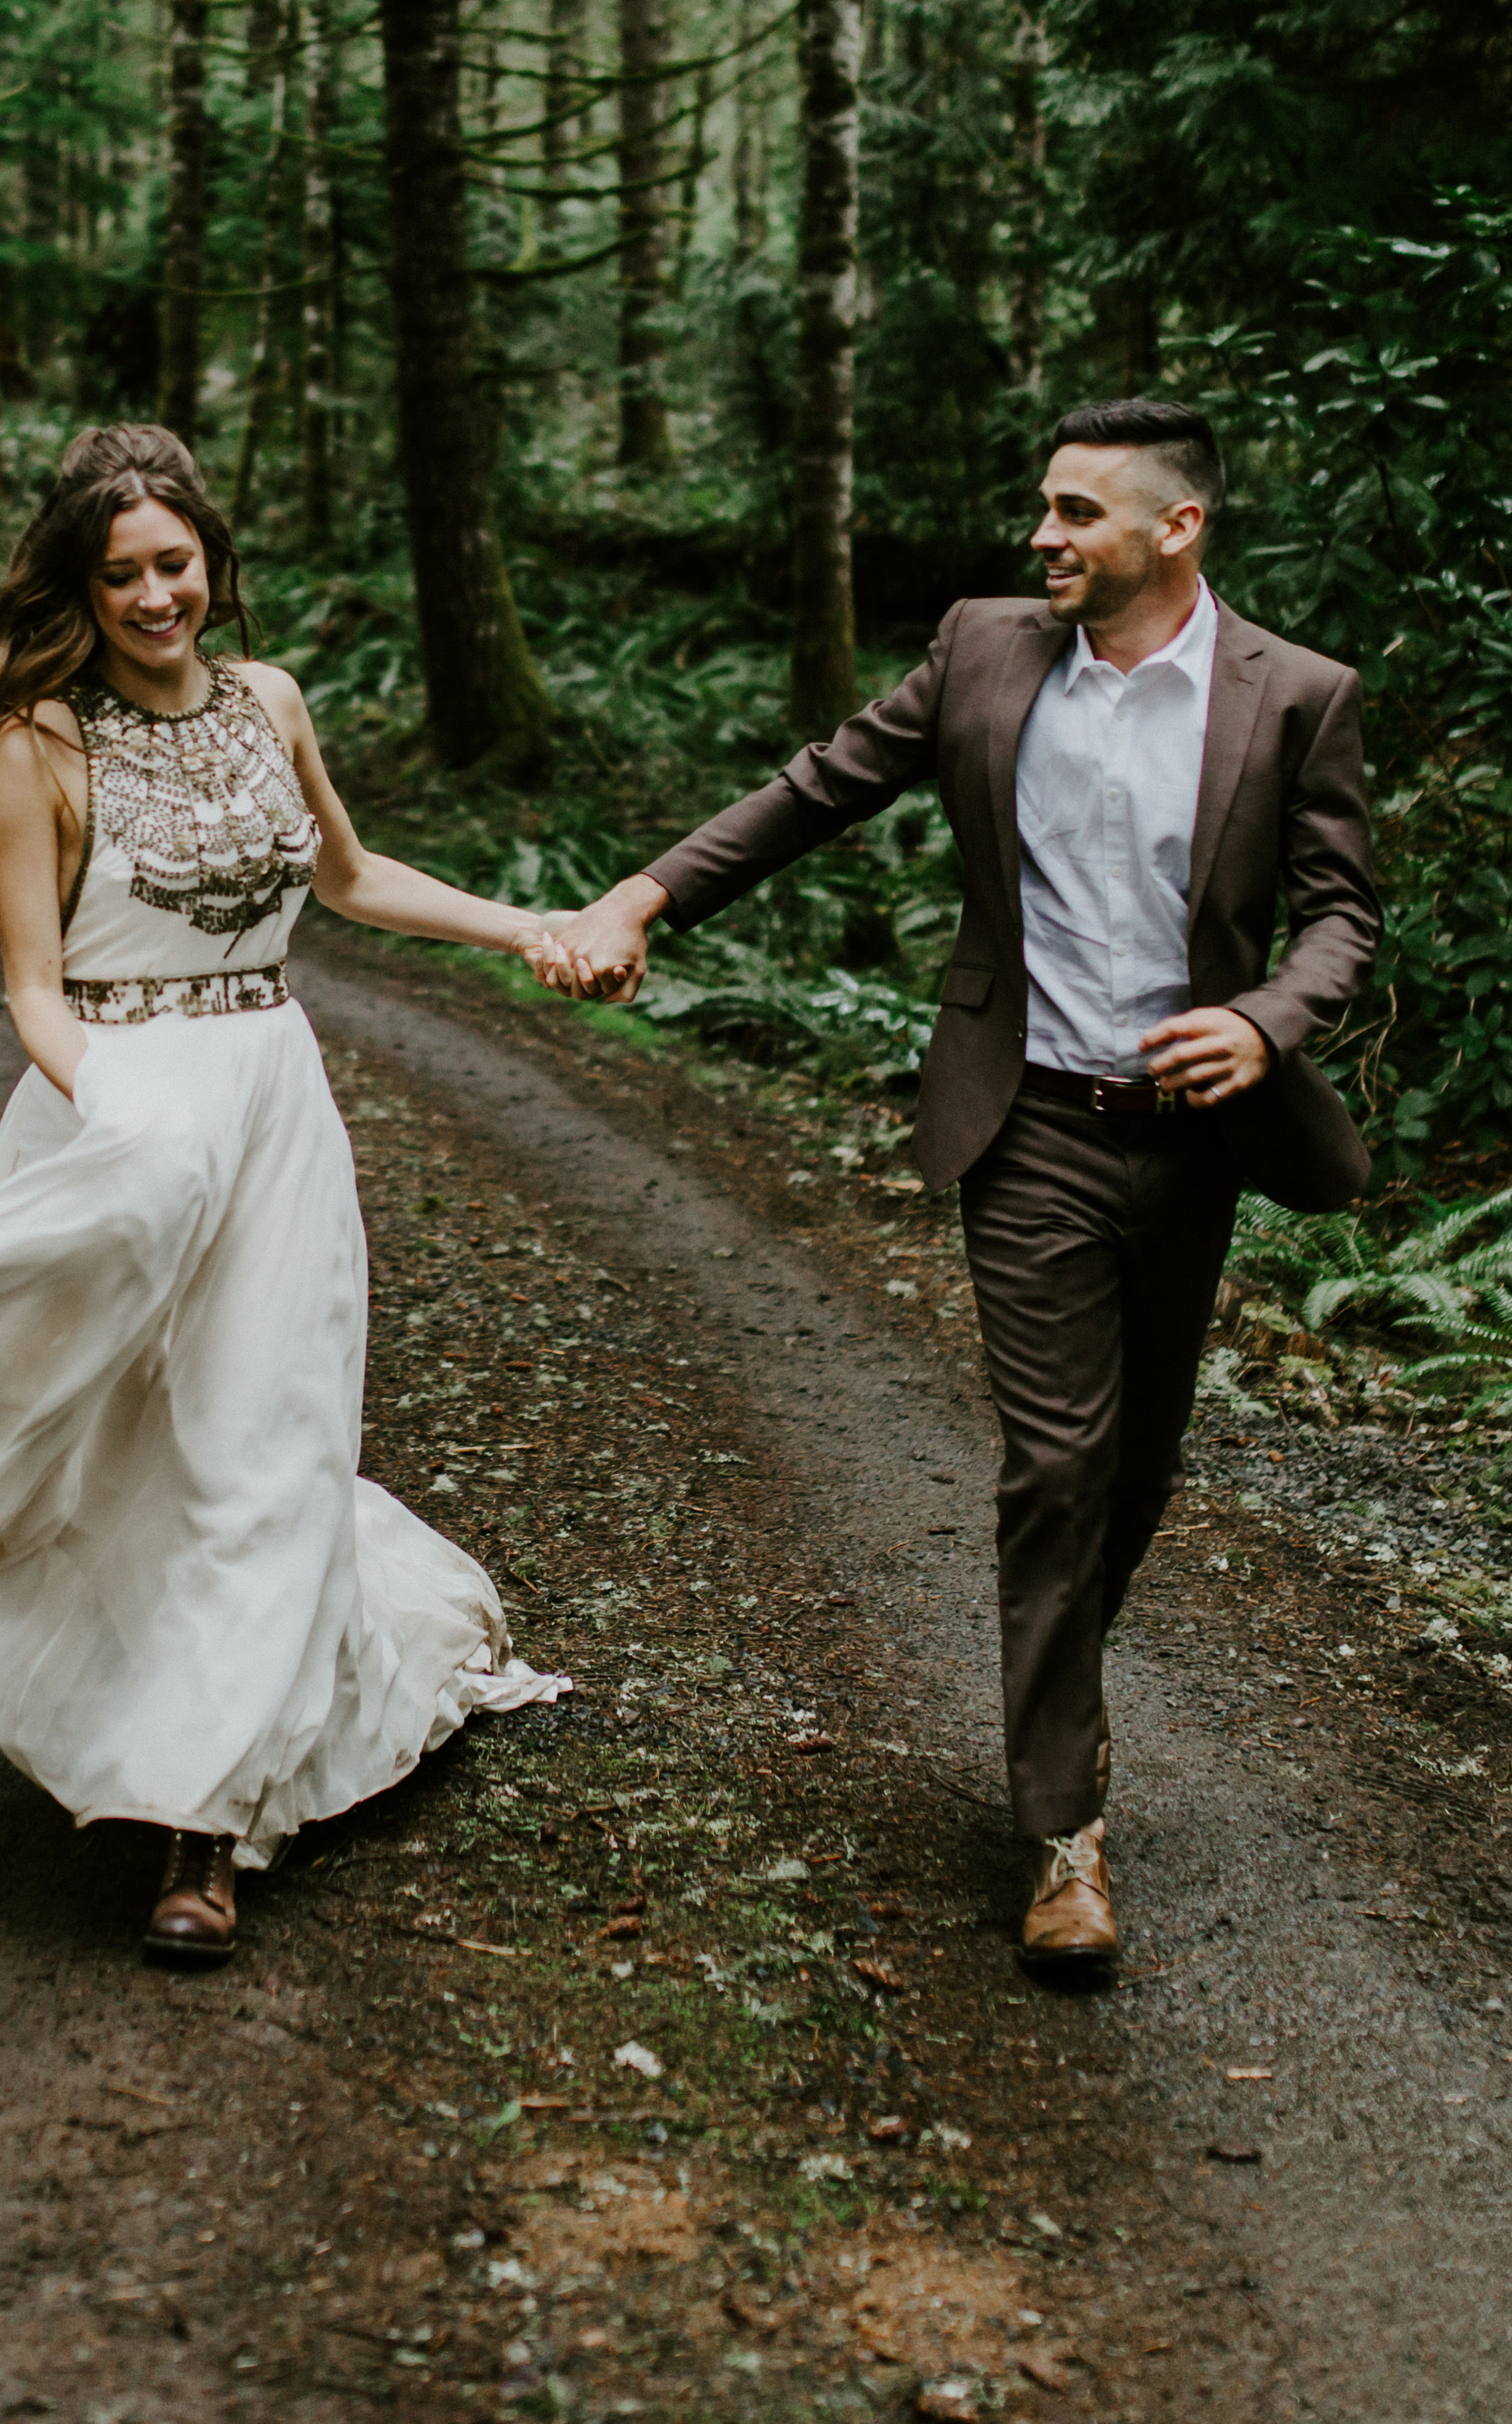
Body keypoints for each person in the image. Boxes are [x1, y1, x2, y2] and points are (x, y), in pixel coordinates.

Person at [545, 398, 1377, 1986]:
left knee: (1134, 1476)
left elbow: (1342, 915)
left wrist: (1265, 1024)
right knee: (1058, 1467)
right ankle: (1065, 1837)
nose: (1043, 538)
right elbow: (816, 789)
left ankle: (1055, 1687)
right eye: (1042, 512)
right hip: (1030, 1129)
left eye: (1077, 514)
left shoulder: (1296, 698)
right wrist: (643, 894)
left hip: (1189, 1138)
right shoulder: (986, 652)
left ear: (1175, 529)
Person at [0, 423, 577, 1964]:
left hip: (272, 1100)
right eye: (118, 574)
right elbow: (33, 988)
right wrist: (125, 1119)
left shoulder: (270, 702)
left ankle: (208, 1829)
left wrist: (527, 925)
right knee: (134, 1448)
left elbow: (349, 876)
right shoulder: (35, 744)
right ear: (80, 583)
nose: (152, 596)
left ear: (211, 561)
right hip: (119, 1110)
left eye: (173, 564)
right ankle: (131, 1716)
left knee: (264, 1439)